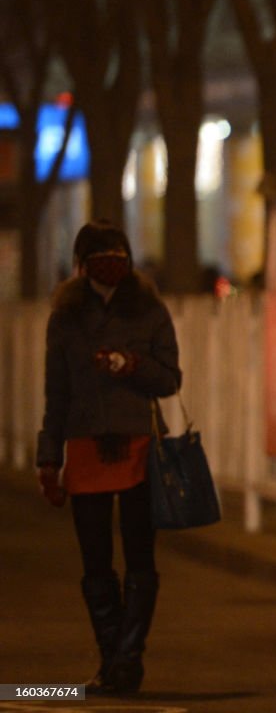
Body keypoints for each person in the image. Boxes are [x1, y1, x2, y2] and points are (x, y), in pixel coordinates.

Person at [36, 221, 182, 694]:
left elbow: (170, 379)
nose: (111, 262)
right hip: (83, 446)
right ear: (82, 263)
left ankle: (127, 661)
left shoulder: (149, 310)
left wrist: (132, 364)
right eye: (100, 255)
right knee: (95, 562)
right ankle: (112, 660)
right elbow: (55, 394)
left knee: (141, 558)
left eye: (118, 253)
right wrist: (47, 458)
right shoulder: (66, 317)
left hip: (138, 446)